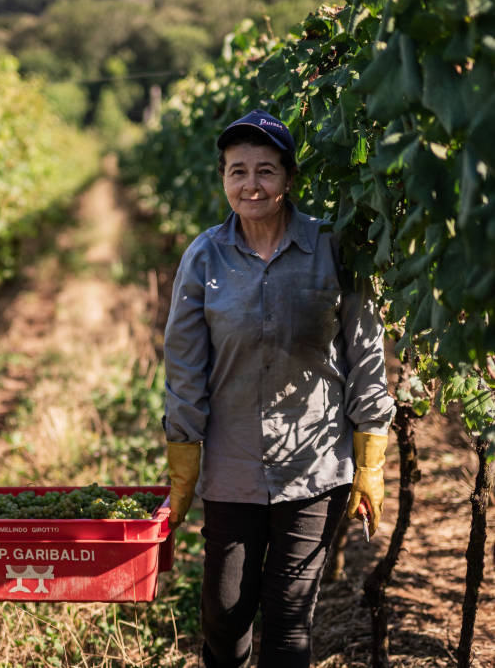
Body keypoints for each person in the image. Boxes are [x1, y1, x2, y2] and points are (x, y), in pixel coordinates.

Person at [163, 109, 394, 668]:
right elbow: (184, 364)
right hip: (232, 461)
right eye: (237, 171)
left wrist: (371, 458)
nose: (251, 185)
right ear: (223, 178)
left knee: (289, 615)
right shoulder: (204, 256)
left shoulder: (332, 247)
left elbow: (365, 353)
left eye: (265, 171)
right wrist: (183, 460)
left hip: (316, 463)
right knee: (224, 611)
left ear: (289, 178)